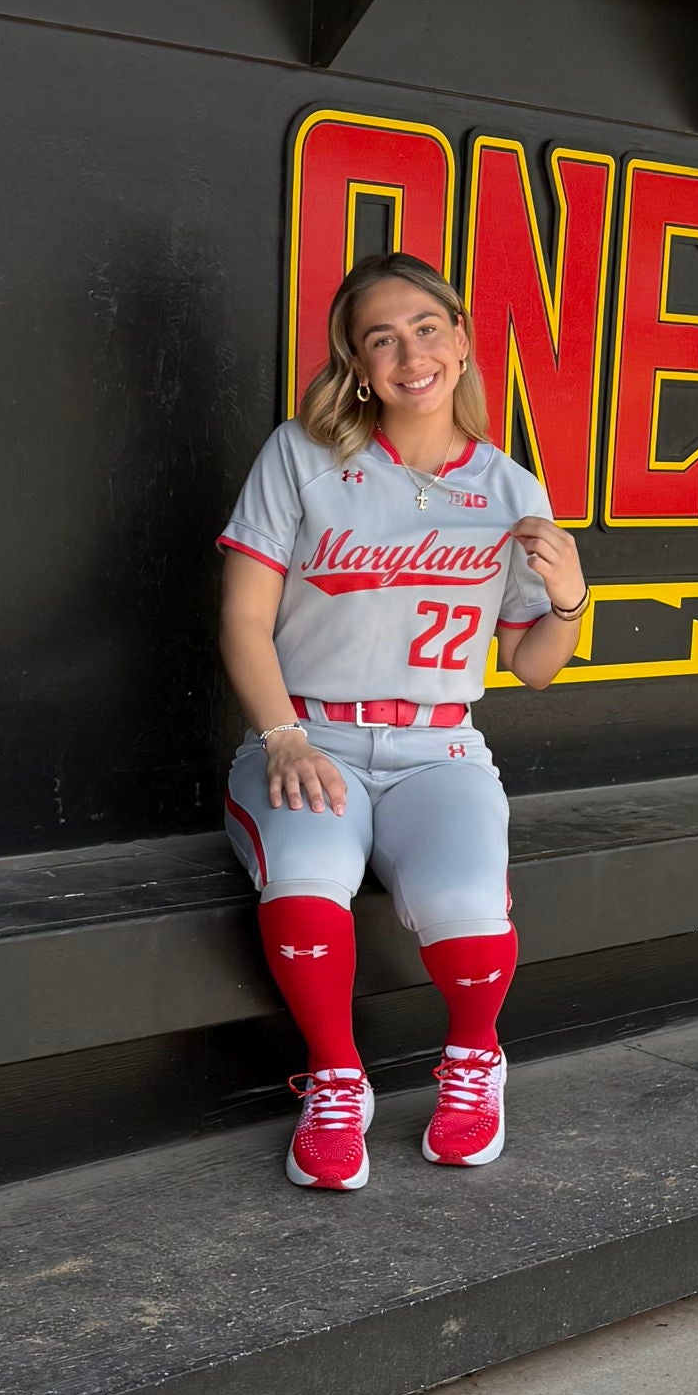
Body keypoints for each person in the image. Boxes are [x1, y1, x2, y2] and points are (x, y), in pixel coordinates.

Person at [218, 251, 589, 1189]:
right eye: (379, 339)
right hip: (310, 734)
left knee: (463, 909)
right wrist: (282, 737)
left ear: (460, 341)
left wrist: (572, 601)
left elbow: (532, 669)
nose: (408, 353)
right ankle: (336, 1080)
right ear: (354, 362)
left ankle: (474, 1060)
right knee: (305, 877)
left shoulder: (509, 488)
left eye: (426, 328)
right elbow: (243, 621)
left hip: (438, 749)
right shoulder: (302, 454)